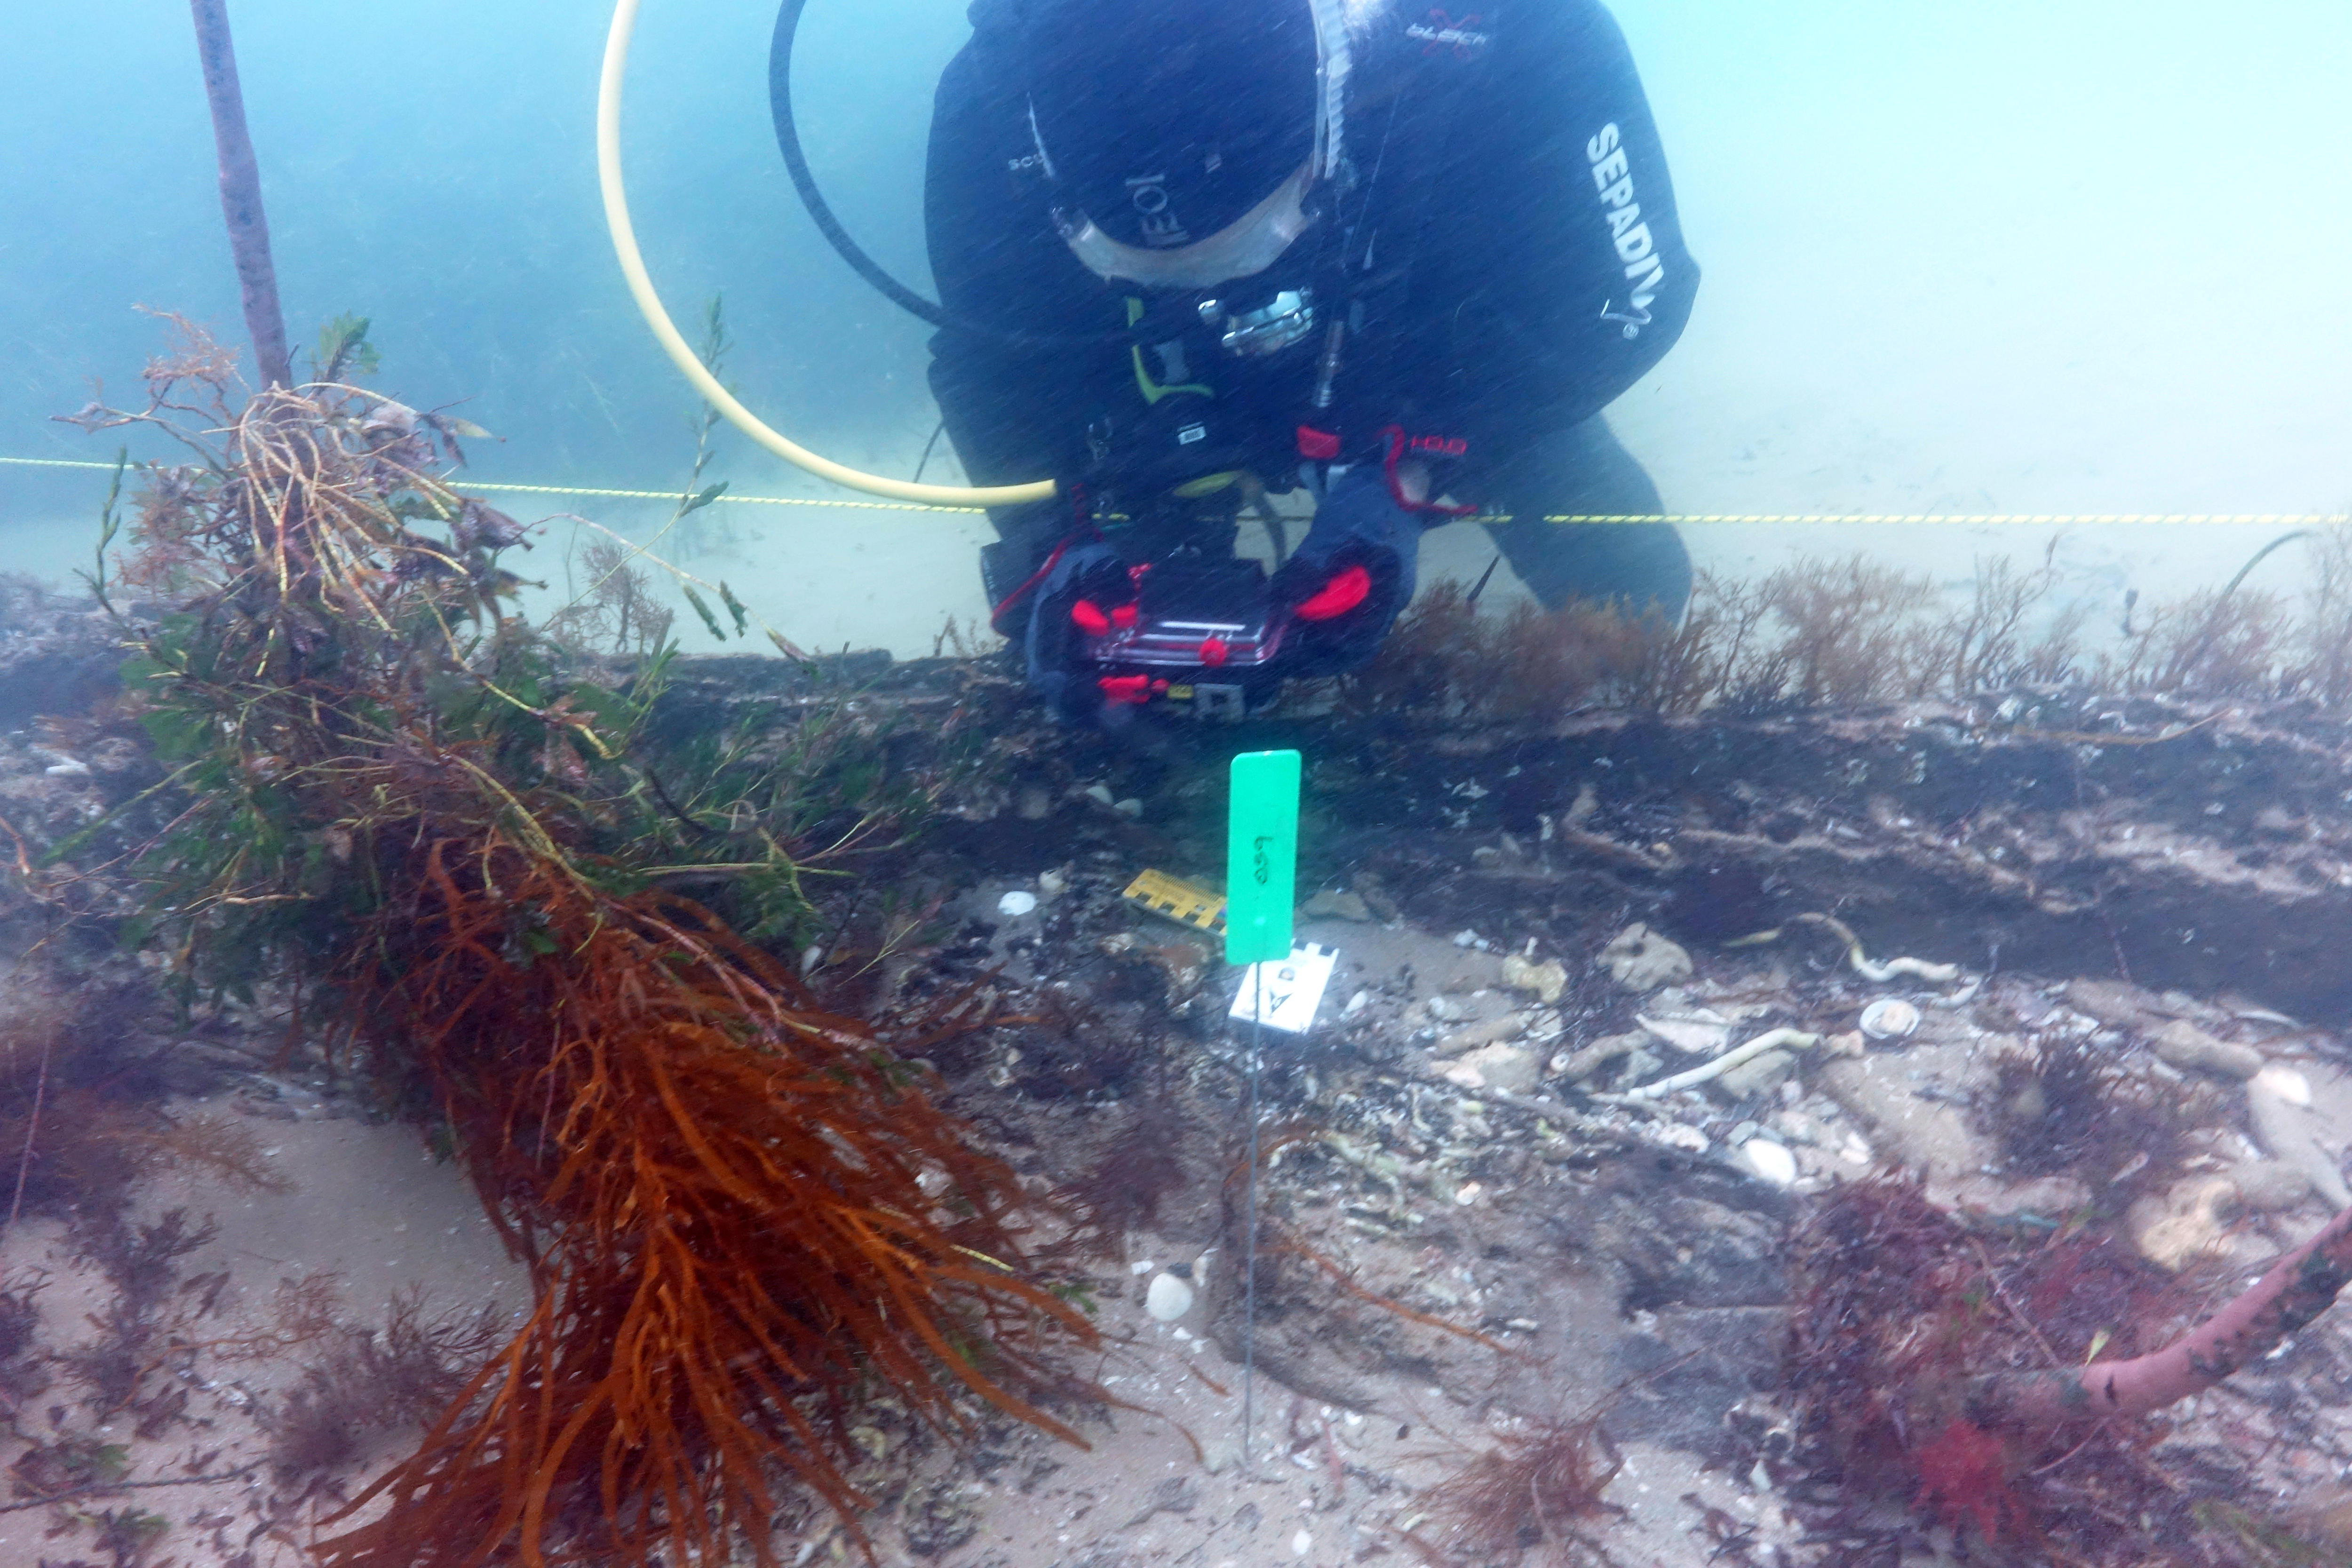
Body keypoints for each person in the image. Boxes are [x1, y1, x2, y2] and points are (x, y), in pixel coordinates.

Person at [923, 0, 1698, 723]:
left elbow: (1628, 306)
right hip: (1160, 395)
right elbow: (984, 362)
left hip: (1437, 356)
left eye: (1244, 250)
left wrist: (1418, 463)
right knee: (1130, 668)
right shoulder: (994, 100)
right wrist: (1049, 541)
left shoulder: (1508, 30)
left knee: (1632, 591)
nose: (1221, 287)